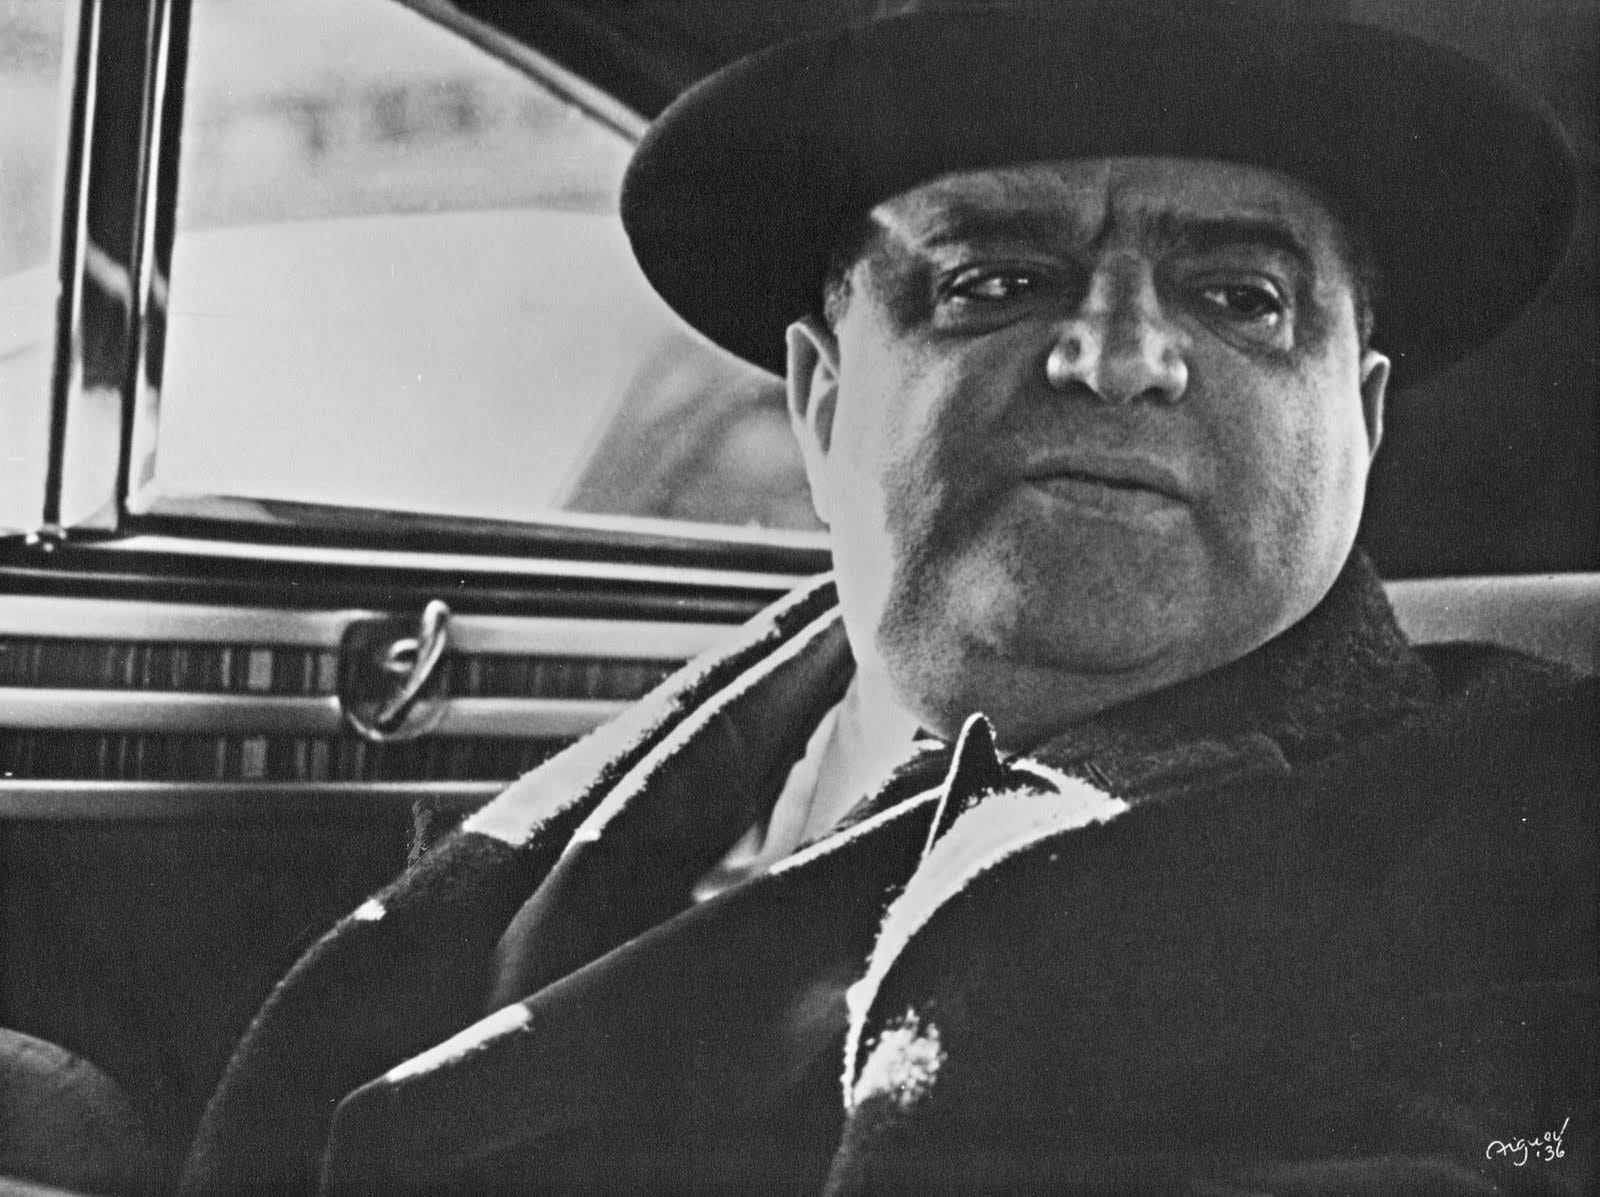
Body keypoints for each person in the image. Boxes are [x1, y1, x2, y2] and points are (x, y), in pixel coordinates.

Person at [181, 2, 1596, 1193]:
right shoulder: (695, 758)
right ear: (819, 398)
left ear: (1364, 422)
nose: (1119, 356)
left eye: (1241, 298)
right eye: (998, 278)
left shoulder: (1523, 825)